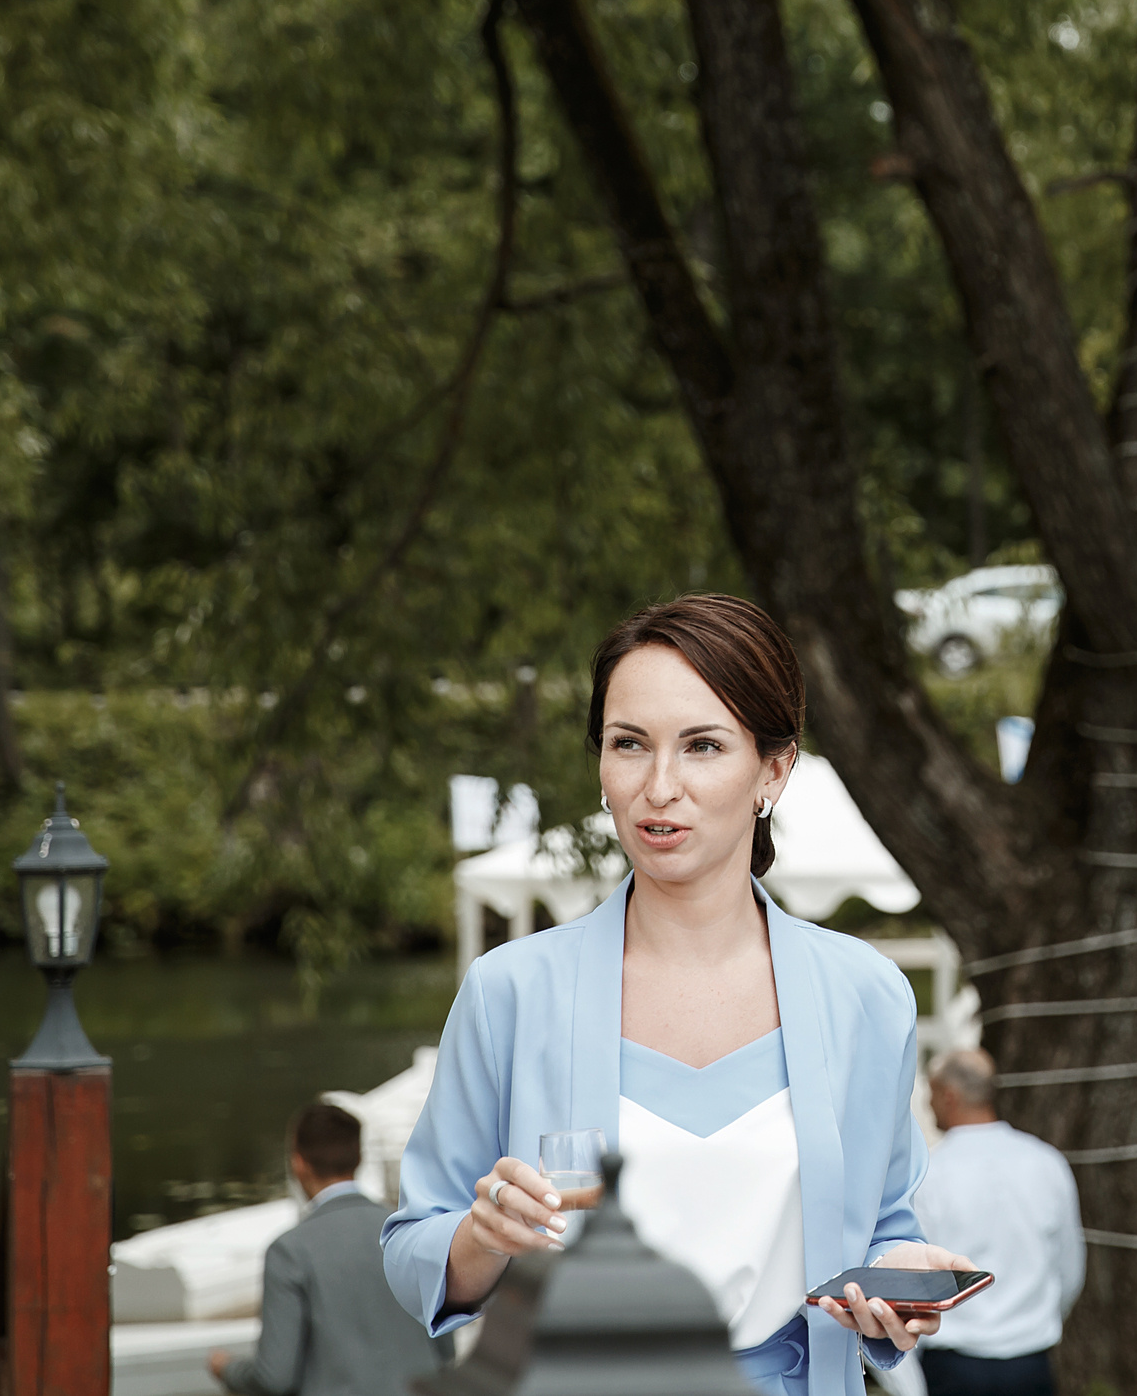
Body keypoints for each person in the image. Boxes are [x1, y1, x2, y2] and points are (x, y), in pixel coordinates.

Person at [381, 593, 976, 1396]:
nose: (660, 786)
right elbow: (413, 1248)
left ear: (773, 768)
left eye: (702, 746)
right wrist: (484, 1236)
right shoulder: (510, 991)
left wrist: (899, 1283)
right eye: (630, 744)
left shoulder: (866, 995)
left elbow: (886, 1231)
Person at [207, 1104, 450, 1396]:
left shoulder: (289, 1252)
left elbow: (274, 1378)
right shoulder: (412, 1232)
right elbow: (444, 1351)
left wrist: (226, 1368)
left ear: (298, 1162)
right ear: (358, 1157)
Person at [907, 1049, 1083, 1396]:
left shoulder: (929, 1175)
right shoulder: (1046, 1163)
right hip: (1029, 1362)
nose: (928, 1105)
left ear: (948, 1095)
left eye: (930, 1093)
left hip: (952, 1367)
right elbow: (1069, 1269)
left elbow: (915, 1274)